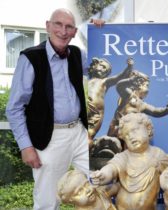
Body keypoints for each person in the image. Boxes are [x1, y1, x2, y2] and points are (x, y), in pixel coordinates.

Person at [5, 8, 103, 210]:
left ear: (75, 32)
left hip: (80, 134)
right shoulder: (31, 58)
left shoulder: (77, 54)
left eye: (69, 27)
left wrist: (99, 33)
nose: (63, 31)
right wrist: (26, 147)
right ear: (48, 26)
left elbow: (102, 66)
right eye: (58, 24)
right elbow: (14, 108)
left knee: (101, 182)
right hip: (49, 139)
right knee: (48, 202)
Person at [90, 112, 168, 210]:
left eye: (135, 130)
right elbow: (112, 168)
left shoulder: (158, 155)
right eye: (126, 135)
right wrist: (102, 175)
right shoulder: (124, 157)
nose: (131, 137)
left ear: (148, 129)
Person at [107, 69, 168, 137]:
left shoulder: (143, 104)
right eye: (146, 85)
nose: (148, 90)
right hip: (118, 125)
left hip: (132, 128)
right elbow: (119, 86)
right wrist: (131, 80)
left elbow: (155, 111)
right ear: (138, 84)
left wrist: (166, 110)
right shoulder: (129, 95)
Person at [87, 57, 133, 144]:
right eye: (102, 66)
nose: (104, 70)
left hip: (95, 112)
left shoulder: (104, 81)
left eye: (106, 71)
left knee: (89, 134)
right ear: (94, 65)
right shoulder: (85, 80)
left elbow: (120, 77)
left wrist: (129, 67)